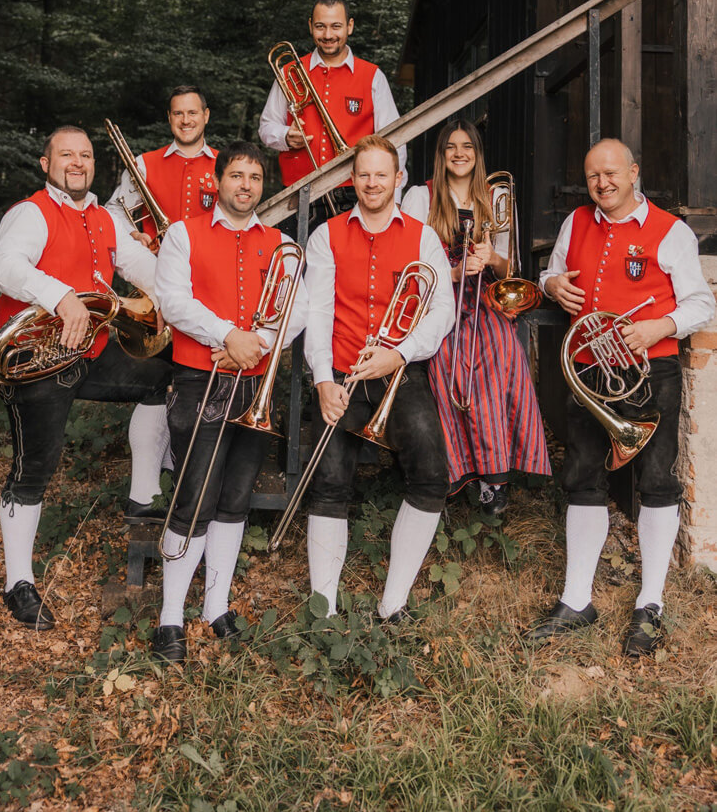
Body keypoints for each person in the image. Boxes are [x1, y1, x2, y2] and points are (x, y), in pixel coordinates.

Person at [528, 138, 714, 656]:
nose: (602, 183)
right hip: (589, 371)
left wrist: (660, 325)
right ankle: (576, 599)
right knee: (582, 476)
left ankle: (649, 603)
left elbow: (701, 303)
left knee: (656, 479)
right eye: (592, 176)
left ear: (633, 172)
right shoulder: (575, 224)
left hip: (648, 372)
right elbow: (552, 274)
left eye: (611, 173)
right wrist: (552, 286)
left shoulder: (670, 231)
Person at [0, 127, 172, 631]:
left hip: (90, 351)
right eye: (66, 154)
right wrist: (60, 295)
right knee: (35, 470)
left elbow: (153, 273)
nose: (77, 162)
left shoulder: (106, 218)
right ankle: (18, 583)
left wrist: (178, 298)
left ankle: (141, 497)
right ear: (45, 163)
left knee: (165, 379)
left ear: (95, 166)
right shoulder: (30, 213)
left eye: (86, 155)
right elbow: (2, 267)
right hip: (36, 359)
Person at [151, 142, 308, 664]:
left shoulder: (282, 243)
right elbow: (172, 299)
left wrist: (257, 343)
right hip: (199, 381)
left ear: (264, 186)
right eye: (236, 175)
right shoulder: (182, 234)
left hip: (254, 383)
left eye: (255, 177)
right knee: (194, 496)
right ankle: (170, 616)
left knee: (236, 497)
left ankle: (215, 607)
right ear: (217, 181)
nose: (245, 185)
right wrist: (227, 333)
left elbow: (297, 308)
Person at [302, 134, 454, 622]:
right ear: (352, 179)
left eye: (381, 174)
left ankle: (393, 604)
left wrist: (399, 353)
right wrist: (323, 379)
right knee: (328, 482)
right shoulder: (325, 235)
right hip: (342, 373)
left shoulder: (422, 236)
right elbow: (318, 314)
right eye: (363, 174)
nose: (371, 182)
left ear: (397, 180)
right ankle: (324, 610)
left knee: (431, 475)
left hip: (399, 374)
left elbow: (441, 312)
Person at [402, 121, 550, 513]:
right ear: (441, 154)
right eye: (451, 147)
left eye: (467, 146)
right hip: (439, 296)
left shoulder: (496, 195)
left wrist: (492, 258)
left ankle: (495, 477)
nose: (459, 153)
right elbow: (407, 260)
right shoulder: (421, 195)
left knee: (501, 354)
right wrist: (449, 271)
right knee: (449, 361)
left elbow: (509, 269)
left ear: (477, 152)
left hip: (485, 297)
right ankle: (460, 469)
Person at [258, 0, 407, 213]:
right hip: (297, 193)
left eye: (336, 26)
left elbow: (395, 142)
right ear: (310, 26)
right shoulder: (289, 72)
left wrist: (394, 199)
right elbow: (266, 127)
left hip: (356, 192)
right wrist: (285, 137)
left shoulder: (373, 77)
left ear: (350, 26)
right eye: (320, 26)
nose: (328, 35)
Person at [106, 85, 217, 249]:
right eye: (178, 113)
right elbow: (114, 210)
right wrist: (134, 235)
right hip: (156, 266)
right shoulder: (144, 163)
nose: (185, 120)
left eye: (192, 113)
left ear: (206, 115)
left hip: (210, 266)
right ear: (169, 117)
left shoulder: (225, 163)